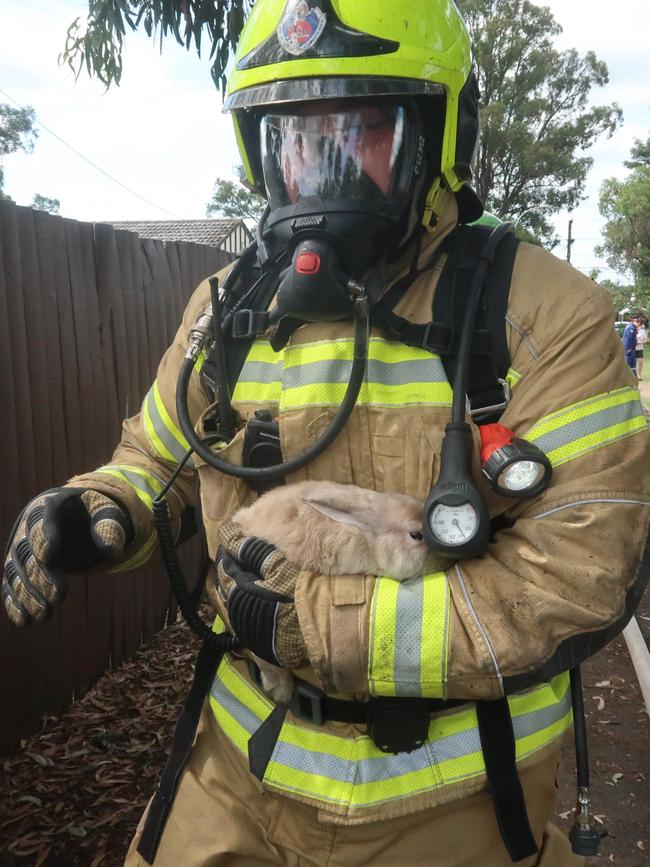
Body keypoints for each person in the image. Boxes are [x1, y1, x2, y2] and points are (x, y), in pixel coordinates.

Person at [3, 2, 649, 866]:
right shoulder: (225, 309)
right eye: (294, 132)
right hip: (236, 773)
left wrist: (321, 626)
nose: (321, 162)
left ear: (437, 131)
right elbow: (159, 458)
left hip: (451, 795)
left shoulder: (545, 313)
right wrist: (97, 511)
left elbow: (581, 573)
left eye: (359, 126)